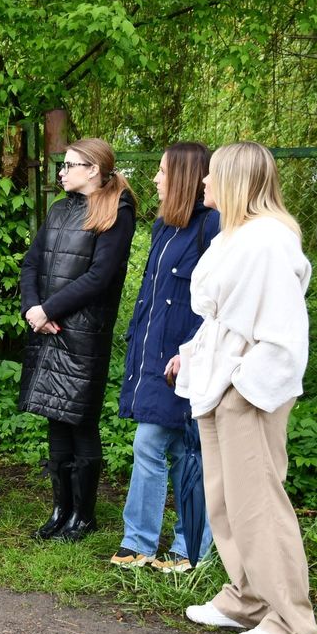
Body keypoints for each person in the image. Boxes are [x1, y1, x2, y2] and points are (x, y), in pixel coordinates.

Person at [179, 142, 317, 634]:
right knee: (226, 500)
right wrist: (194, 356)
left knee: (258, 501)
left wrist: (244, 389)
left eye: (213, 173)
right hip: (220, 381)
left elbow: (284, 332)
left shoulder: (268, 241)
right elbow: (224, 316)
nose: (203, 181)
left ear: (235, 181)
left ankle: (294, 623)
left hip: (248, 391)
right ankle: (248, 597)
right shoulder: (233, 235)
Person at [19, 137, 136, 542]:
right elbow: (32, 262)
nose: (62, 173)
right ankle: (61, 510)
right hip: (47, 327)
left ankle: (83, 516)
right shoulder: (59, 209)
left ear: (93, 170)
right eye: (62, 165)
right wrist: (33, 308)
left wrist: (49, 310)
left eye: (69, 166)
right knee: (55, 415)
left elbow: (100, 277)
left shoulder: (116, 211)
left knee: (80, 420)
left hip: (84, 332)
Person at [112, 143, 219, 571]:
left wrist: (191, 352)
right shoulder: (163, 226)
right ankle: (157, 545)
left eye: (162, 171)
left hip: (187, 359)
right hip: (153, 359)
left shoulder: (212, 226)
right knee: (170, 444)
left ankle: (183, 546)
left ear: (185, 177)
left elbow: (217, 303)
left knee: (168, 445)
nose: (155, 179)